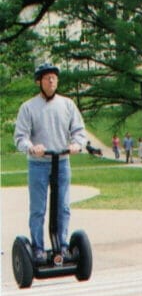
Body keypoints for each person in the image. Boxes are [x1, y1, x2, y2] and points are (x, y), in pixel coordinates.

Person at [13, 62, 87, 263]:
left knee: (63, 206)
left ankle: (62, 246)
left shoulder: (67, 105)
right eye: (47, 77)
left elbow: (79, 131)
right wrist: (31, 147)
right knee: (38, 208)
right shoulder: (29, 107)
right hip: (38, 163)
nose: (52, 80)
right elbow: (20, 137)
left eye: (54, 77)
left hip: (62, 162)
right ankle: (37, 248)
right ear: (39, 81)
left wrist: (77, 144)